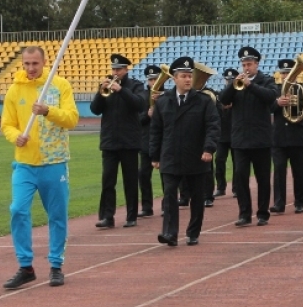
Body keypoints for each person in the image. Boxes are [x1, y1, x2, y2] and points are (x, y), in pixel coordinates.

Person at [0, 46, 79, 289]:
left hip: (54, 162)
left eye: (35, 63)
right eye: (27, 64)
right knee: (18, 209)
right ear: (22, 64)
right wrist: (16, 137)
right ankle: (26, 266)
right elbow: (7, 124)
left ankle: (56, 265)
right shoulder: (15, 90)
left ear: (44, 63)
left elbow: (72, 119)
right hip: (24, 163)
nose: (31, 68)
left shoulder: (59, 86)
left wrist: (48, 111)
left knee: (57, 215)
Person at [150, 57, 220, 246]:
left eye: (190, 76)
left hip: (196, 156)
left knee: (197, 198)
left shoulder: (204, 101)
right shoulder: (164, 102)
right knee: (170, 195)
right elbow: (156, 130)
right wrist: (155, 156)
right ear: (174, 78)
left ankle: (193, 232)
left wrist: (209, 149)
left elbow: (213, 126)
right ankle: (170, 233)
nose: (188, 79)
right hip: (171, 156)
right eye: (184, 76)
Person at [218, 46, 277, 227]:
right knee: (240, 177)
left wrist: (251, 85)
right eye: (244, 64)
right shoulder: (237, 83)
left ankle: (262, 213)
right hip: (240, 139)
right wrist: (232, 85)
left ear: (256, 64)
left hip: (261, 138)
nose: (246, 68)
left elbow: (271, 96)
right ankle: (244, 213)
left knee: (263, 179)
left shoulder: (266, 80)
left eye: (249, 64)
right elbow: (223, 99)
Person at [91, 54, 147, 229]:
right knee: (108, 181)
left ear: (126, 69)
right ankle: (107, 216)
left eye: (119, 69)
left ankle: (131, 216)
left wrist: (121, 90)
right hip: (109, 141)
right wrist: (102, 92)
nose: (115, 72)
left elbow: (140, 104)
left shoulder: (136, 85)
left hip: (129, 141)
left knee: (130, 180)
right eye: (114, 69)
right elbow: (95, 109)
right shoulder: (106, 86)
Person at [270, 59, 303, 214]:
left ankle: (300, 202)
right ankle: (279, 203)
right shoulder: (274, 90)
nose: (285, 76)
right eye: (283, 73)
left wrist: (298, 101)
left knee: (300, 172)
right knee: (279, 172)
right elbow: (267, 107)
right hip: (279, 136)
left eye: (288, 73)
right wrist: (277, 103)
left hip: (298, 135)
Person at [138, 65, 161, 218]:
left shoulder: (169, 95)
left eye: (156, 79)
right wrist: (147, 114)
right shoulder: (142, 96)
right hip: (147, 140)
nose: (153, 82)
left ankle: (168, 205)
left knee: (167, 175)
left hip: (163, 140)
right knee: (143, 175)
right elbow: (137, 120)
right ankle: (147, 207)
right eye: (151, 79)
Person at [213, 68, 237, 197]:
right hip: (222, 135)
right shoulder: (220, 95)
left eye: (232, 80)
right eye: (228, 80)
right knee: (219, 161)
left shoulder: (239, 94)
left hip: (235, 134)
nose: (229, 82)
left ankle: (236, 188)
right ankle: (221, 187)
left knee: (237, 163)